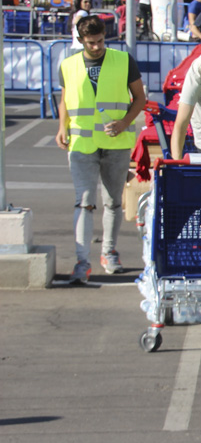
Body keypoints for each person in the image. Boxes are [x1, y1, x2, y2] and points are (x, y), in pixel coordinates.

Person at [55, 15, 146, 281]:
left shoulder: (122, 60)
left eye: (101, 41)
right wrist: (62, 127)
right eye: (91, 43)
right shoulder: (69, 65)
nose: (97, 46)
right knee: (84, 203)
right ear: (81, 40)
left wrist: (125, 122)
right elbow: (65, 100)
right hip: (82, 144)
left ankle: (109, 252)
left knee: (113, 202)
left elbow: (139, 98)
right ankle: (82, 262)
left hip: (116, 143)